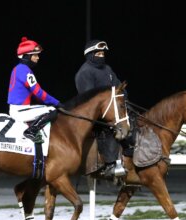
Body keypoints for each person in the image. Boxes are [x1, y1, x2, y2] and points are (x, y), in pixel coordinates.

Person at [75, 39, 127, 178]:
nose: (101, 55)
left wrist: (123, 98)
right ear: (90, 55)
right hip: (94, 115)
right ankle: (109, 165)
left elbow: (118, 87)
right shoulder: (85, 72)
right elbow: (89, 98)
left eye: (102, 53)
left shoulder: (108, 69)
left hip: (112, 109)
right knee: (109, 128)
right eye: (98, 53)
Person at [7, 36, 63, 143]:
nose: (38, 58)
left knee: (47, 107)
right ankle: (31, 131)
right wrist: (58, 103)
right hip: (19, 111)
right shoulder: (25, 70)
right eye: (35, 55)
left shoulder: (17, 68)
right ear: (27, 56)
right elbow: (39, 93)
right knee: (52, 111)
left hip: (18, 109)